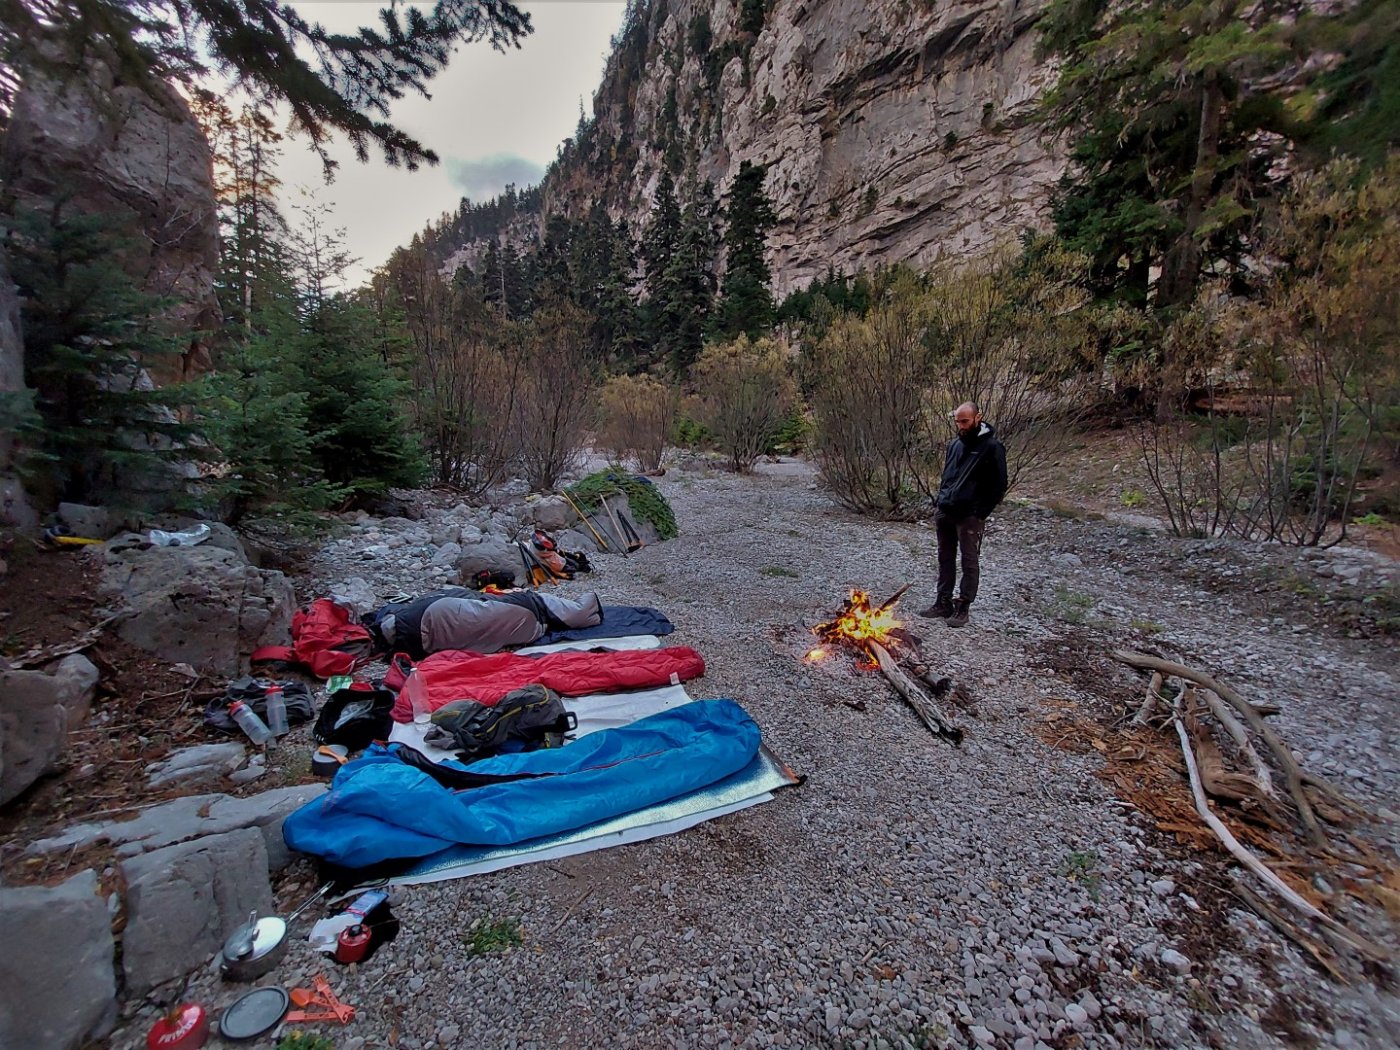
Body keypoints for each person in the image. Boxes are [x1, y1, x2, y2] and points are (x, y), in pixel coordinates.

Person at [920, 401, 1008, 628]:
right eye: (958, 421)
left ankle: (963, 606)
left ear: (978, 418)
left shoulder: (992, 447)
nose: (961, 425)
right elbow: (947, 476)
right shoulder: (954, 445)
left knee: (969, 561)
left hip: (970, 515)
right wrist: (941, 502)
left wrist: (981, 513)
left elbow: (999, 485)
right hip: (946, 510)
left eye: (965, 421)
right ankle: (943, 602)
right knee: (945, 558)